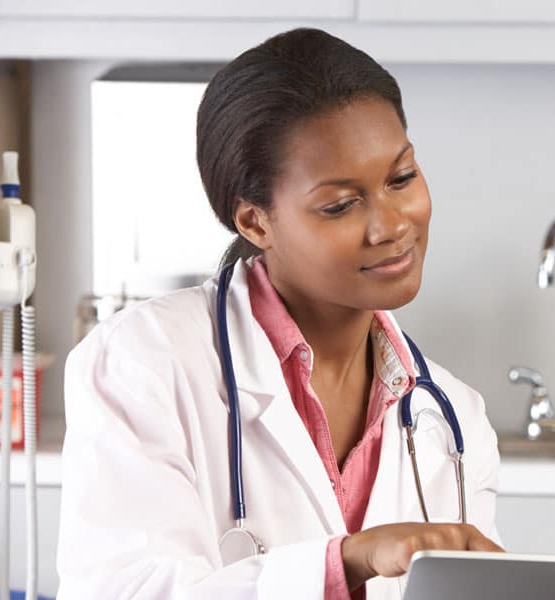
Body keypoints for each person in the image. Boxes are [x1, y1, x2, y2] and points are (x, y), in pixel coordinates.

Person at [57, 28, 502, 599]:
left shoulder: (453, 416)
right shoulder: (144, 363)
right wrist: (346, 561)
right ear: (255, 222)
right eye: (340, 204)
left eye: (402, 178)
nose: (391, 225)